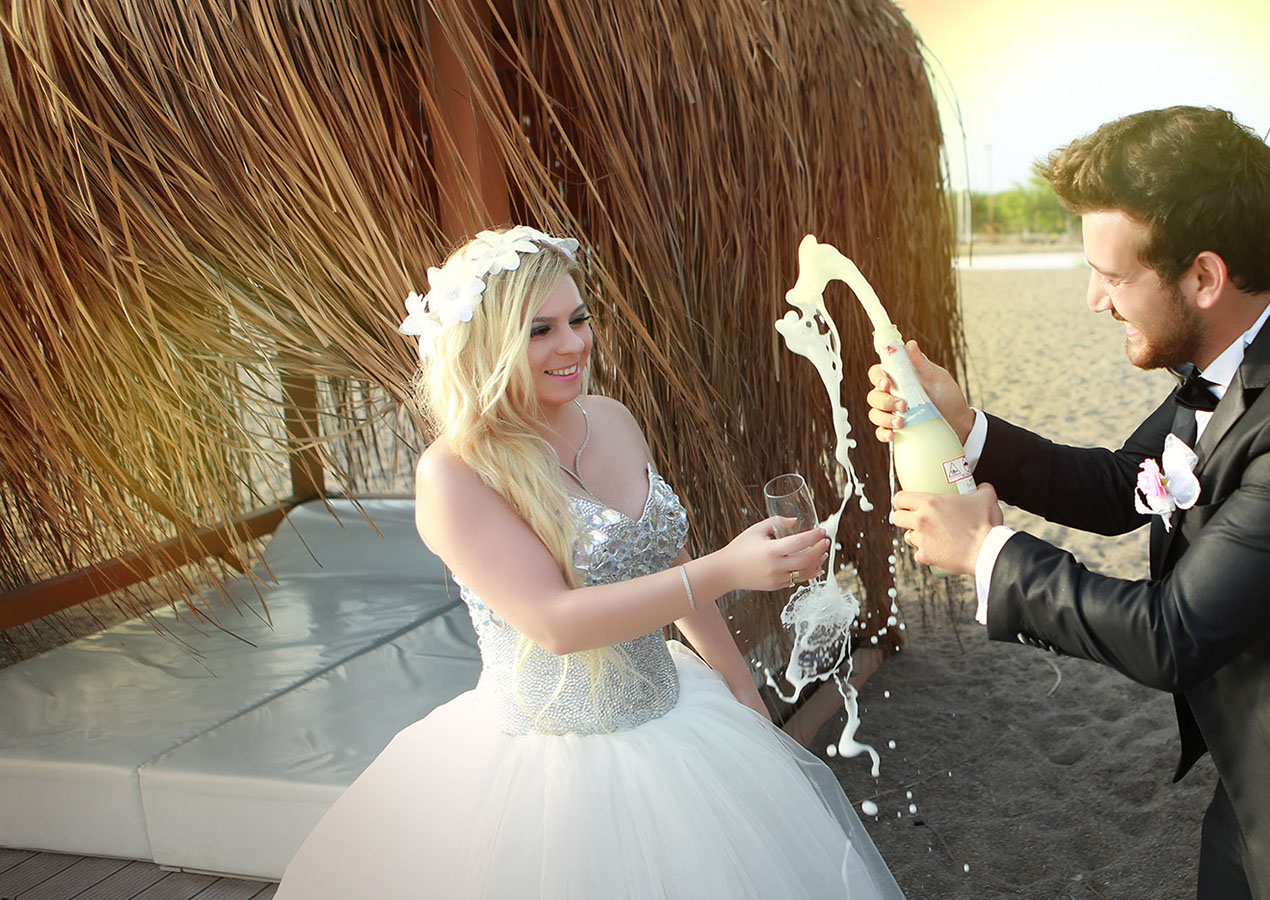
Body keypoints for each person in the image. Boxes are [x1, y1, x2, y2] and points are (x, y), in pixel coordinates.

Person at [868, 107, 1270, 900]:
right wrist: (968, 430)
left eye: (1114, 276)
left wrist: (988, 553)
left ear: (1204, 277)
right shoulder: (1246, 351)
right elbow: (1127, 482)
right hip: (1255, 785)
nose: (1094, 298)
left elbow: (1174, 633)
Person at [278, 226, 904, 899]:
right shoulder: (455, 473)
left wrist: (742, 690)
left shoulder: (611, 418)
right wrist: (727, 570)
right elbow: (555, 622)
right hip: (550, 772)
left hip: (679, 716)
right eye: (540, 330)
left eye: (578, 319)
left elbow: (665, 556)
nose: (574, 344)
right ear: (484, 344)